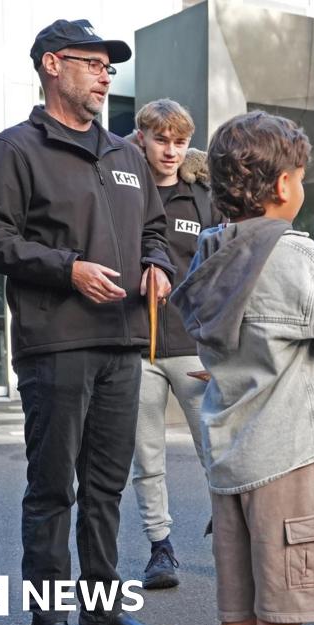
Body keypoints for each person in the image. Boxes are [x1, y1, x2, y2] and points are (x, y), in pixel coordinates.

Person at [0, 19, 174, 625]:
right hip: (55, 342)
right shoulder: (13, 150)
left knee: (107, 486)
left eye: (110, 65)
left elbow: (157, 230)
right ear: (53, 66)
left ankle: (103, 608)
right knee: (55, 489)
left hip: (122, 341)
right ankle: (47, 622)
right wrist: (69, 268)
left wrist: (157, 264)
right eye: (93, 62)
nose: (106, 73)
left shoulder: (126, 155)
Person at [169, 110, 314, 625]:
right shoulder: (295, 254)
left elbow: (264, 325)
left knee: (237, 615)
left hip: (231, 460)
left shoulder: (213, 249)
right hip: (288, 460)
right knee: (281, 617)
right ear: (285, 183)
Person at [127, 98, 222, 590]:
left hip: (191, 343)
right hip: (136, 343)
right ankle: (159, 546)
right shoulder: (121, 189)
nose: (170, 150)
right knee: (147, 454)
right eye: (161, 139)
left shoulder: (201, 194)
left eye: (179, 142)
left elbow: (222, 269)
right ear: (141, 137)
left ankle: (230, 532)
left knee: (216, 445)